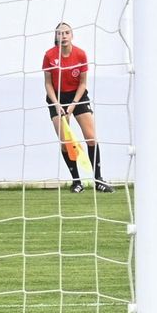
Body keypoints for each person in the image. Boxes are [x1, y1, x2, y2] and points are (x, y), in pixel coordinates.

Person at [42, 22, 111, 193]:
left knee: (91, 137)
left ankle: (98, 179)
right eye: (59, 33)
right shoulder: (49, 56)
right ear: (55, 36)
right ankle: (76, 182)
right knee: (66, 142)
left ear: (72, 35)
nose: (63, 36)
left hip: (77, 97)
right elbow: (48, 83)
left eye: (66, 33)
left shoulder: (80, 55)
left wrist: (73, 105)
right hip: (56, 98)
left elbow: (83, 83)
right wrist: (57, 104)